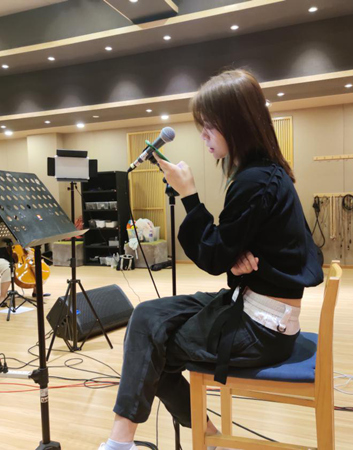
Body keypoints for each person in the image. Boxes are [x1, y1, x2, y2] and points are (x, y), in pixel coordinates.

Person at [99, 69, 324, 450]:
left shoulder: (254, 181)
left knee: (150, 348)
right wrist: (243, 257)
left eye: (208, 127)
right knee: (147, 316)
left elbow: (213, 255)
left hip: (262, 328)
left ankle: (126, 443)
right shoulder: (271, 174)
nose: (203, 136)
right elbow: (275, 250)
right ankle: (200, 438)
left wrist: (189, 197)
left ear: (237, 123)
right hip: (258, 309)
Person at [0, 218, 49, 304]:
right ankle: (2, 297)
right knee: (8, 269)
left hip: (16, 257)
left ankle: (37, 290)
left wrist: (28, 249)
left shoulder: (17, 228)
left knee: (36, 264)